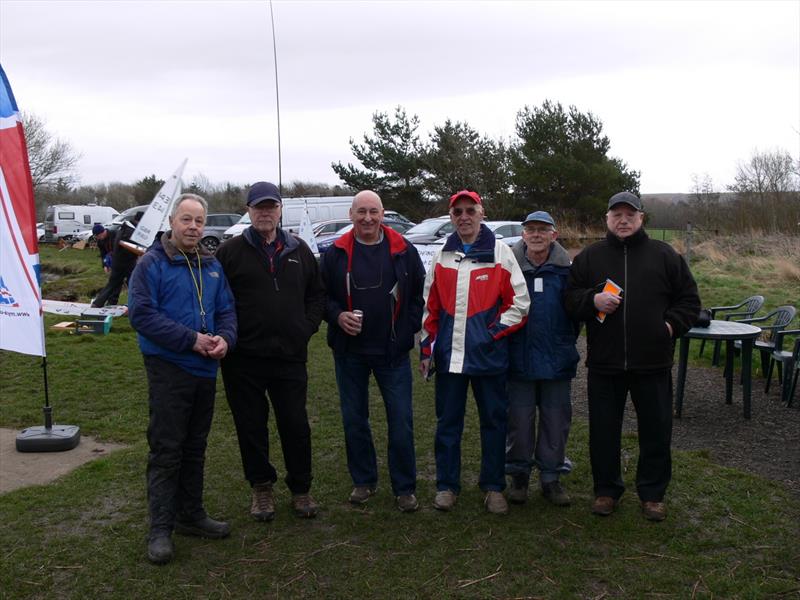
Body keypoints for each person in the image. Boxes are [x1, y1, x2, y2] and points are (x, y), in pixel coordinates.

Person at [565, 191, 700, 522]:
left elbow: (690, 301)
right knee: (603, 431)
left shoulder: (665, 255)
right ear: (607, 219)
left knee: (656, 430)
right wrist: (592, 301)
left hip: (652, 363)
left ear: (642, 218)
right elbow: (568, 298)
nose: (622, 221)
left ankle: (653, 495)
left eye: (630, 215)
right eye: (616, 215)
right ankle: (606, 491)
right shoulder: (589, 258)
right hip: (604, 363)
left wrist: (669, 327)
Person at [128, 193, 237, 565]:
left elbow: (227, 310)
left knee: (195, 446)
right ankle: (160, 528)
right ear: (173, 221)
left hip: (205, 369)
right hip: (169, 368)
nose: (193, 227)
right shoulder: (152, 265)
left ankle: (190, 514)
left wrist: (226, 339)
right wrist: (190, 340)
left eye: (199, 221)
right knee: (167, 449)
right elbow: (141, 315)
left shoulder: (212, 266)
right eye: (186, 220)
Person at [215, 181, 325, 521]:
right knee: (251, 425)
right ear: (248, 210)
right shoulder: (229, 252)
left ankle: (301, 488)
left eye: (271, 206)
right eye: (258, 206)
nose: (265, 212)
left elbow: (317, 295)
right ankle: (261, 488)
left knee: (295, 424)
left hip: (289, 357)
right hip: (242, 359)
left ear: (280, 210)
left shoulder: (299, 249)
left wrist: (304, 328)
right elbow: (217, 300)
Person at [420, 190, 530, 515]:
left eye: (471, 210)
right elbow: (429, 307)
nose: (464, 217)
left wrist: (492, 333)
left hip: (489, 359)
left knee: (494, 423)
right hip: (450, 360)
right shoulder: (442, 254)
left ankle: (494, 487)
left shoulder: (500, 253)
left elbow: (520, 304)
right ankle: (446, 486)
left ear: (481, 213)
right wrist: (427, 349)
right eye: (458, 212)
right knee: (448, 425)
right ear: (451, 216)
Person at [321, 190, 425, 512]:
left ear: (383, 215)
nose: (368, 218)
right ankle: (364, 481)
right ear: (351, 215)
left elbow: (417, 298)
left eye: (374, 212)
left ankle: (404, 487)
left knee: (401, 420)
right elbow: (321, 296)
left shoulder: (403, 250)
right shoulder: (335, 253)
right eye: (361, 212)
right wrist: (337, 316)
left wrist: (405, 334)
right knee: (354, 419)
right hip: (349, 352)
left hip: (391, 353)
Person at [505, 211, 580, 507]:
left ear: (554, 234)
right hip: (518, 358)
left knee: (555, 422)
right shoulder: (509, 268)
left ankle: (551, 478)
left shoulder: (567, 271)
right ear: (523, 234)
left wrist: (562, 341)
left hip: (557, 359)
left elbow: (577, 314)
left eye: (542, 230)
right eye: (531, 230)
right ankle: (518, 477)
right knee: (519, 421)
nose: (536, 235)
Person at [92, 211, 143, 307]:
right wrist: (105, 264)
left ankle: (99, 303)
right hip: (125, 261)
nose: (99, 238)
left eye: (98, 235)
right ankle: (129, 304)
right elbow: (104, 253)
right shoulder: (130, 230)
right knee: (131, 283)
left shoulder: (119, 231)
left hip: (118, 260)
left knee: (115, 283)